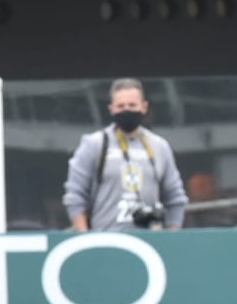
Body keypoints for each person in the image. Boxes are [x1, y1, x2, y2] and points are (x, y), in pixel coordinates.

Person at [63, 79, 187, 231]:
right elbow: (75, 196)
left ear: (144, 107)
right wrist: (84, 237)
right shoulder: (94, 144)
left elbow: (175, 197)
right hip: (105, 238)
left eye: (132, 105)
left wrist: (171, 236)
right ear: (111, 109)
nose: (127, 110)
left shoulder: (159, 147)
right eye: (121, 106)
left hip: (150, 243)